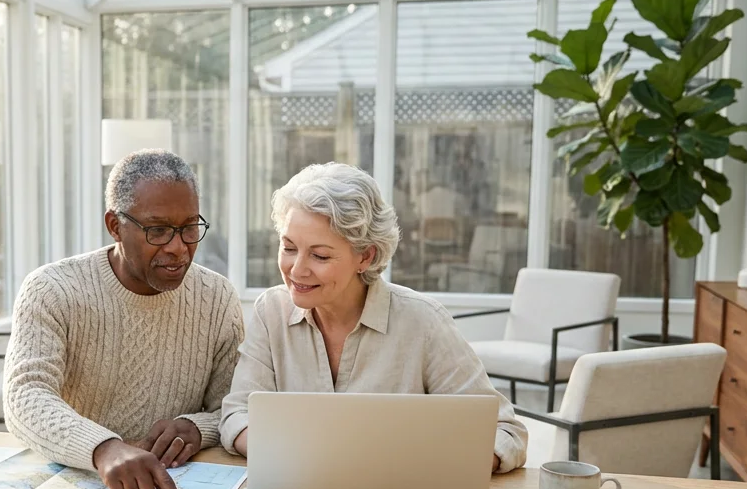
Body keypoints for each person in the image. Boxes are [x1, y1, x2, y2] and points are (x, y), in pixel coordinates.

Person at [220, 162, 526, 472]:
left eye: (320, 255)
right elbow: (237, 415)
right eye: (288, 247)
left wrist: (415, 467)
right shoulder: (271, 312)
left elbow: (504, 433)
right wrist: (306, 459)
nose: (297, 269)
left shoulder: (423, 322)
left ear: (366, 256)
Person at [3, 149, 246, 489]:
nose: (179, 248)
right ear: (115, 225)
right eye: (159, 230)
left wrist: (197, 427)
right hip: (73, 488)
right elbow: (24, 396)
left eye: (190, 228)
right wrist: (102, 448)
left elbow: (233, 405)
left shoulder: (218, 297)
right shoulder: (51, 289)